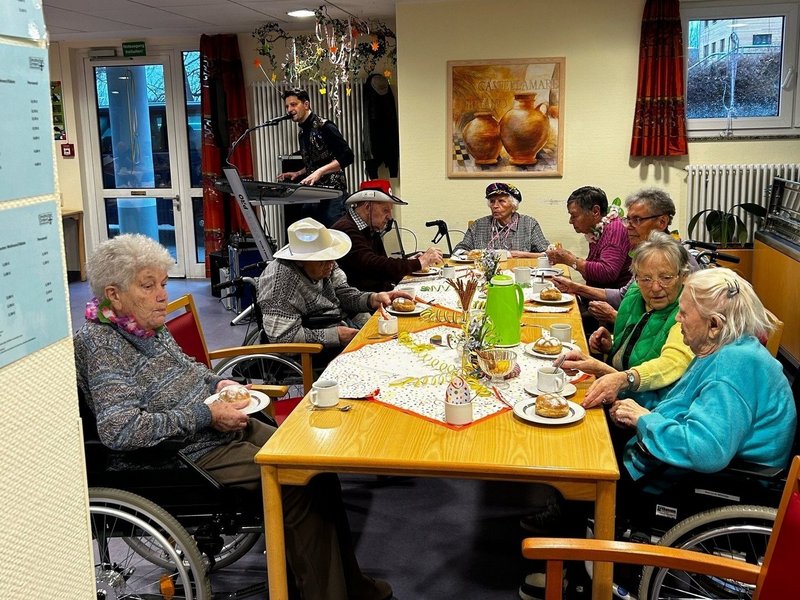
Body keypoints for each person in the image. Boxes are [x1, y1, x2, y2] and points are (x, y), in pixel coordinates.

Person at [74, 234, 392, 600]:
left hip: (216, 427)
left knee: (314, 464)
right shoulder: (103, 344)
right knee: (297, 484)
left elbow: (188, 369)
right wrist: (205, 414)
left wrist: (218, 382)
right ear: (113, 295)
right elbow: (120, 429)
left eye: (162, 283)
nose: (162, 295)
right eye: (149, 286)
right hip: (184, 454)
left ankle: (348, 583)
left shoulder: (146, 324)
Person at [611, 267, 795, 487]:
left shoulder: (731, 368)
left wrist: (643, 419)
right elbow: (681, 403)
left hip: (710, 485)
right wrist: (631, 406)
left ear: (714, 324)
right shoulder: (726, 347)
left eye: (684, 313)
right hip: (673, 463)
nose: (677, 318)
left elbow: (706, 451)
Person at [561, 231, 694, 410]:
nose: (655, 287)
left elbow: (672, 362)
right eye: (646, 279)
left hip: (649, 408)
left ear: (683, 276)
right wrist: (613, 345)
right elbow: (644, 339)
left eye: (666, 278)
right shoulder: (635, 296)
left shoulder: (687, 313)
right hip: (617, 394)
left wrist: (619, 376)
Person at [257, 217, 412, 357]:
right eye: (322, 260)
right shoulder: (280, 282)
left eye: (331, 258)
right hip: (314, 349)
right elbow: (283, 339)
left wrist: (372, 298)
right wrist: (335, 336)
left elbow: (343, 293)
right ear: (300, 261)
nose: (331, 265)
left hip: (338, 322)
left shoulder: (326, 264)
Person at [552, 188, 697, 326]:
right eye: (628, 219)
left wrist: (615, 317)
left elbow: (670, 326)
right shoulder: (647, 254)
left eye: (637, 220)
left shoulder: (678, 259)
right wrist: (574, 287)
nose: (628, 226)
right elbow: (624, 295)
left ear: (662, 222)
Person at [332, 182, 443, 292]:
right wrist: (419, 262)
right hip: (360, 300)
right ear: (367, 207)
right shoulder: (345, 229)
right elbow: (373, 266)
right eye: (385, 210)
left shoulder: (370, 227)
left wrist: (410, 262)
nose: (390, 217)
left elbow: (384, 266)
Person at [278, 88, 354, 226]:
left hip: (333, 193)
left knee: (333, 233)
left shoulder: (325, 126)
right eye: (287, 106)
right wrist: (298, 173)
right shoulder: (302, 133)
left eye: (293, 104)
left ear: (306, 104)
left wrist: (320, 172)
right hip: (314, 193)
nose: (289, 110)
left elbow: (348, 156)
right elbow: (316, 162)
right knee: (306, 229)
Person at [545, 186, 632, 288]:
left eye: (574, 216)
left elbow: (608, 273)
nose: (570, 221)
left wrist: (570, 260)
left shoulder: (615, 228)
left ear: (595, 211)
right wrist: (569, 259)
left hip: (611, 297)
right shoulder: (596, 231)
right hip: (595, 293)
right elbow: (592, 277)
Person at [452, 182, 549, 257]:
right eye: (492, 201)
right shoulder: (478, 225)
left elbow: (547, 253)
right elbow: (458, 251)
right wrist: (474, 254)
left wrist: (521, 254)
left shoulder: (529, 224)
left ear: (513, 206)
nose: (495, 206)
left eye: (501, 201)